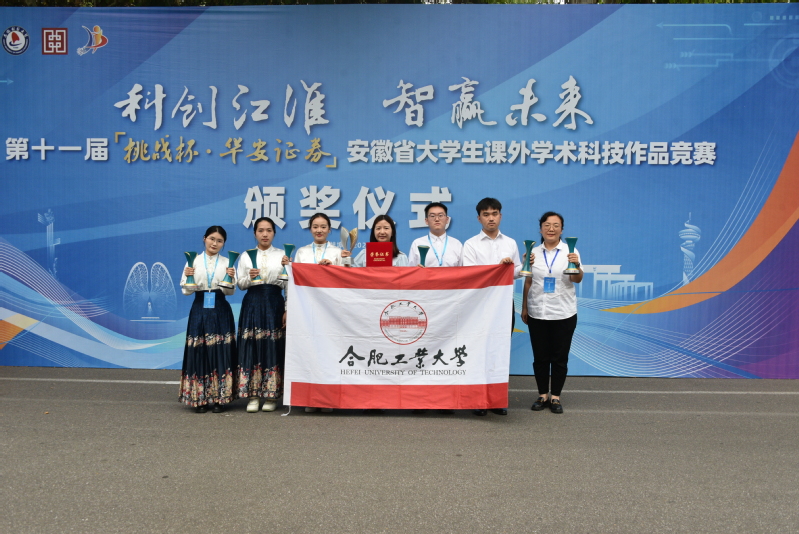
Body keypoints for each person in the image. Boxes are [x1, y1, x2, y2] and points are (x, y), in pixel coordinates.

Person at [462, 197, 521, 416]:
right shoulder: (470, 244)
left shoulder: (510, 243)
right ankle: (478, 401)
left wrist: (510, 267)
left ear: (500, 216)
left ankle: (496, 400)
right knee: (478, 351)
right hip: (479, 307)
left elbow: (517, 272)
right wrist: (497, 268)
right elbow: (470, 274)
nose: (491, 218)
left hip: (504, 306)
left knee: (500, 350)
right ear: (479, 218)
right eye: (486, 214)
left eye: (494, 214)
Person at [520, 211, 582, 415]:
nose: (551, 229)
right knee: (540, 357)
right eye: (547, 225)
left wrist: (577, 265)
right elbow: (528, 281)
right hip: (537, 312)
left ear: (562, 230)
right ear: (540, 229)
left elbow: (577, 279)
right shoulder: (533, 252)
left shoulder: (570, 251)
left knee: (559, 358)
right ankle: (542, 395)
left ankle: (555, 396)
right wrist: (525, 307)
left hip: (563, 312)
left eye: (556, 225)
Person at [179, 226, 237, 413]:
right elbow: (186, 291)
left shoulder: (228, 262)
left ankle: (220, 398)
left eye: (219, 241)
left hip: (220, 308)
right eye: (212, 239)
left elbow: (230, 292)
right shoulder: (193, 261)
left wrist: (231, 278)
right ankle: (200, 398)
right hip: (199, 308)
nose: (215, 243)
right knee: (199, 351)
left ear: (223, 243)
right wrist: (189, 277)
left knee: (221, 351)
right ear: (204, 239)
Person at [291, 212, 343, 413]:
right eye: (315, 226)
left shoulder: (337, 252)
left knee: (329, 352)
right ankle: (310, 398)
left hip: (330, 310)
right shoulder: (302, 252)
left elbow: (346, 279)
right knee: (309, 351)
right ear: (310, 229)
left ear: (329, 229)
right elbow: (294, 282)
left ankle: (328, 398)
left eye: (323, 227)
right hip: (306, 309)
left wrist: (333, 267)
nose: (319, 230)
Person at [236, 217, 287, 413]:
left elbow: (287, 284)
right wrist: (249, 278)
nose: (265, 234)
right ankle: (253, 395)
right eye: (260, 230)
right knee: (252, 347)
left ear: (274, 233)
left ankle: (272, 395)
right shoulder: (246, 256)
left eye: (269, 230)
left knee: (272, 347)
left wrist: (287, 308)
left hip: (274, 303)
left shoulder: (282, 255)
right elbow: (240, 284)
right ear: (254, 233)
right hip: (252, 303)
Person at [408, 202, 463, 268]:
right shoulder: (417, 243)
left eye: (440, 215)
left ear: (447, 219)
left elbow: (462, 271)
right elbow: (411, 270)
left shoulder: (456, 244)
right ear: (426, 221)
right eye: (432, 216)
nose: (437, 219)